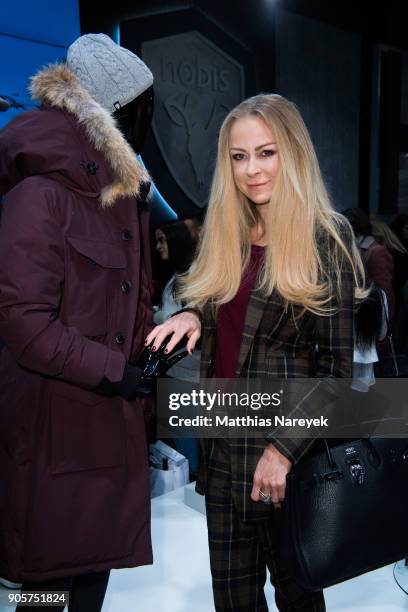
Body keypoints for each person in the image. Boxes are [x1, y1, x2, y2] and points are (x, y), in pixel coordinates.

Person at [146, 94, 365, 611]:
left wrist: (283, 451)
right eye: (239, 157)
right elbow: (216, 301)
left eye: (265, 152)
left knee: (298, 596)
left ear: (292, 153)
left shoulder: (325, 239)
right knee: (234, 601)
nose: (252, 170)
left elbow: (336, 374)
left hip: (286, 460)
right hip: (222, 452)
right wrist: (191, 314)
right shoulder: (229, 233)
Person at [0, 33, 155, 611]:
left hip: (105, 437)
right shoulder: (39, 196)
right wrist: (118, 370)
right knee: (45, 597)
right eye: (142, 109)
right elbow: (25, 324)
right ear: (111, 113)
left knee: (89, 590)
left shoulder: (115, 202)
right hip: (54, 444)